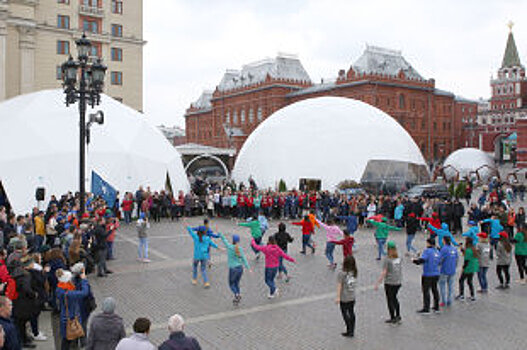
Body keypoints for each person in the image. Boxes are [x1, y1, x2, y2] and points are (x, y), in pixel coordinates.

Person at [55, 269, 90, 350]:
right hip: (71, 319)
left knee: (66, 339)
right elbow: (84, 293)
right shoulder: (69, 294)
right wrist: (84, 280)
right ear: (67, 281)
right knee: (68, 340)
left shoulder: (60, 288)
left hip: (65, 317)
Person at [374, 241, 402, 324]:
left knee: (390, 299)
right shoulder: (399, 258)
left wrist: (378, 282)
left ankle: (392, 316)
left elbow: (384, 272)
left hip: (390, 282)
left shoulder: (387, 259)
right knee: (395, 298)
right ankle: (398, 315)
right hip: (398, 281)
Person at [219, 233, 250, 305]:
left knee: (231, 284)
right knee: (237, 283)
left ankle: (236, 294)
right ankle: (238, 295)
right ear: (238, 241)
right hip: (240, 268)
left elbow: (224, 240)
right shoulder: (240, 249)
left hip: (233, 269)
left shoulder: (229, 247)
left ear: (232, 240)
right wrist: (248, 267)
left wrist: (220, 234)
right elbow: (244, 258)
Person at [412, 238, 441, 314]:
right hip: (436, 273)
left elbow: (422, 260)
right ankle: (436, 306)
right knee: (435, 290)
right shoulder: (437, 251)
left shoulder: (427, 251)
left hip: (428, 273)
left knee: (426, 291)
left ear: (428, 243)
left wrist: (414, 260)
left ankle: (426, 308)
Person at [335, 255, 357, 338]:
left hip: (344, 297)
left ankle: (349, 329)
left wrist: (338, 297)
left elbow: (339, 285)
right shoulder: (354, 271)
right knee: (351, 312)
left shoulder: (342, 273)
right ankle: (352, 330)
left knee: (345, 313)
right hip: (352, 296)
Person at [456, 237, 479, 301]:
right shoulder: (473, 249)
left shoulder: (468, 251)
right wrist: (461, 248)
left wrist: (463, 268)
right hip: (472, 267)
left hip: (467, 268)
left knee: (461, 280)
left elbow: (466, 261)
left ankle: (462, 295)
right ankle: (472, 295)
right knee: (469, 281)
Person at [438, 236, 458, 307]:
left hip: (444, 270)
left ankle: (443, 301)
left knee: (442, 285)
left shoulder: (444, 249)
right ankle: (450, 300)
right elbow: (456, 259)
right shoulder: (454, 249)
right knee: (450, 286)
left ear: (444, 241)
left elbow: (440, 260)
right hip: (452, 270)